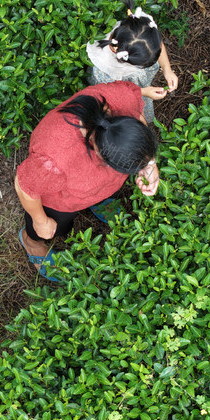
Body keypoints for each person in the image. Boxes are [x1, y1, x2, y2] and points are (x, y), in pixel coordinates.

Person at [15, 80, 161, 278]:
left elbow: (137, 113)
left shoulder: (121, 102)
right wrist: (40, 221)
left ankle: (99, 200)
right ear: (98, 152)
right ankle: (31, 242)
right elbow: (25, 186)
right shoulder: (55, 157)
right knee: (59, 227)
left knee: (107, 187)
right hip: (62, 200)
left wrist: (149, 164)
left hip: (96, 185)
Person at [86, 0, 179, 124]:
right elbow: (113, 95)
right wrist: (143, 92)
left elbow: (157, 45)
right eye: (142, 65)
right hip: (123, 91)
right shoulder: (103, 69)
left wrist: (167, 69)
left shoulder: (140, 29)